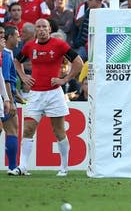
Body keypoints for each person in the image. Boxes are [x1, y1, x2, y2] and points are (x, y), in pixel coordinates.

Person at [9, 19, 83, 176]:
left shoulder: (59, 45)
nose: (41, 29)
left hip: (54, 94)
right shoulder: (30, 46)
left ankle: (64, 167)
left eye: (44, 27)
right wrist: (23, 76)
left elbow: (78, 62)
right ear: (35, 30)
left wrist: (64, 79)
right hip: (35, 94)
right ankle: (22, 167)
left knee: (58, 131)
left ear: (49, 29)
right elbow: (16, 61)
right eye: (38, 27)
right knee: (28, 129)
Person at [1, 25, 19, 172]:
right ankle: (12, 167)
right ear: (9, 37)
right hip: (5, 98)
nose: (19, 38)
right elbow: (6, 79)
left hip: (8, 95)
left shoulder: (8, 53)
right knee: (12, 130)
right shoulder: (5, 54)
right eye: (17, 35)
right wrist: (11, 101)